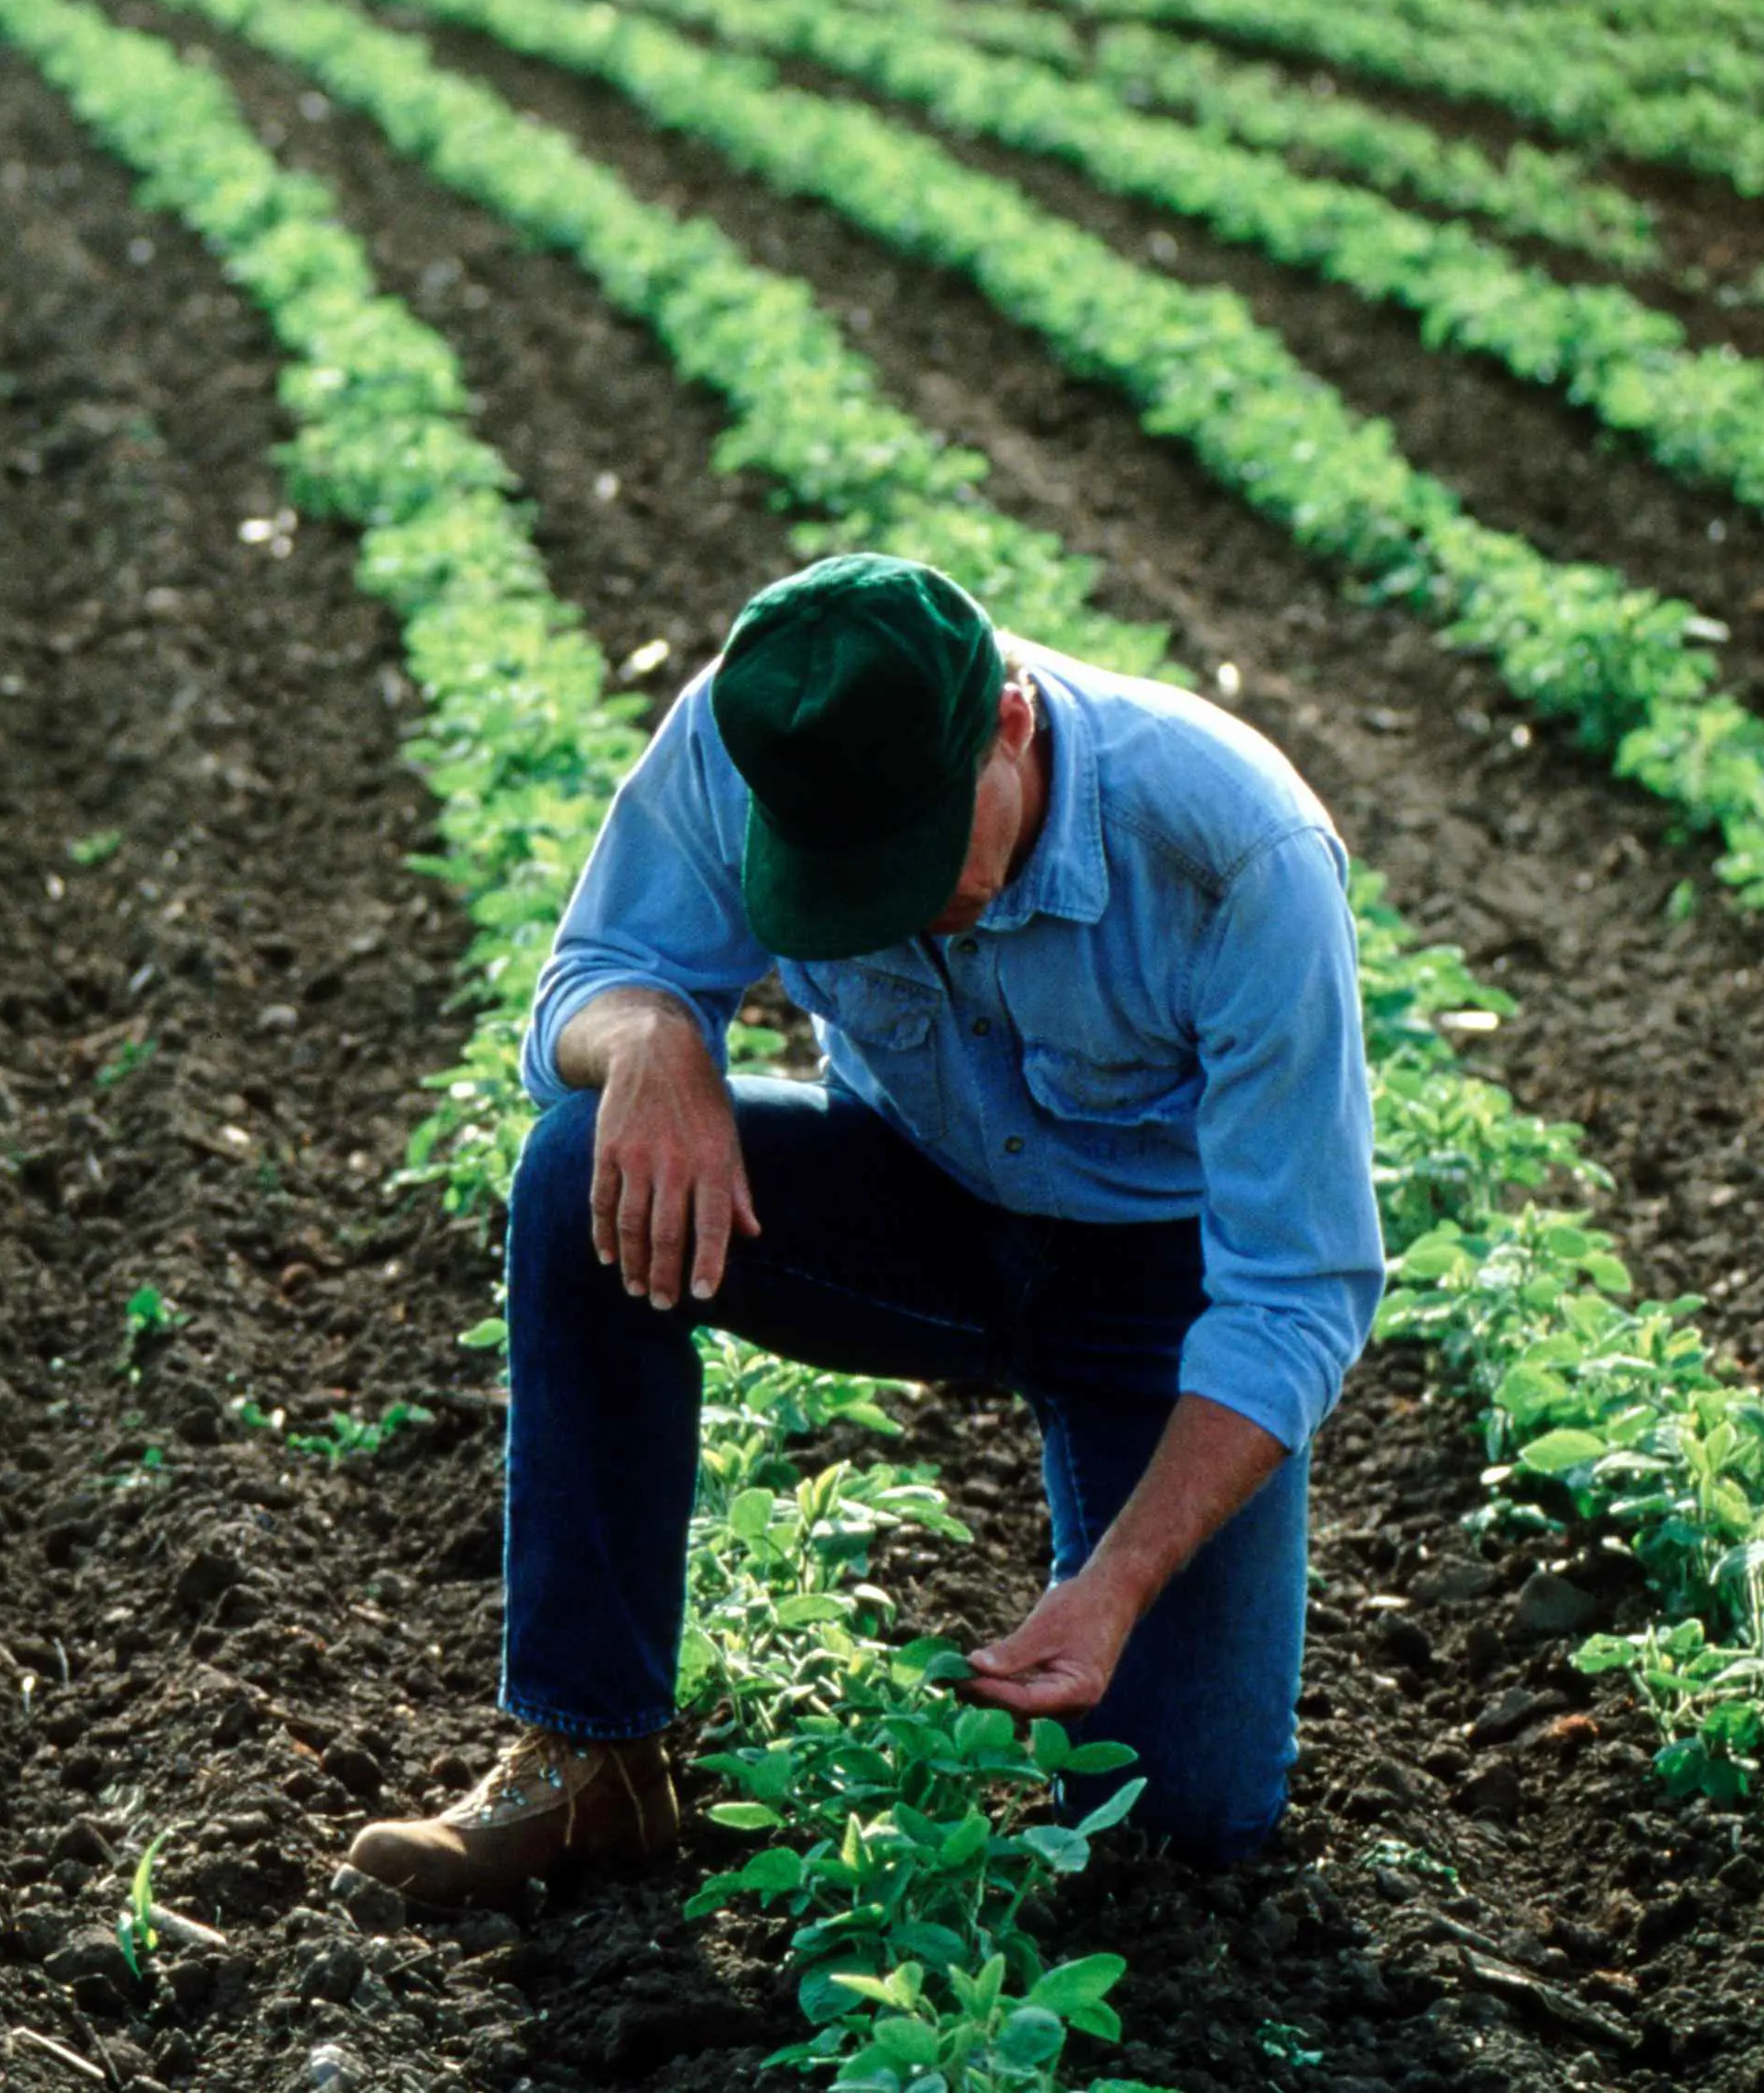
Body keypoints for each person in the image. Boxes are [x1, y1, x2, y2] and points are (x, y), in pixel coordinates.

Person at [345, 553, 1380, 1908]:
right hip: (911, 1206)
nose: (889, 909)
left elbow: (1297, 1290)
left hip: (1157, 1287)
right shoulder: (757, 734)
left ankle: (1148, 1696)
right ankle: (588, 1757)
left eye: (915, 865)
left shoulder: (1234, 853)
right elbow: (592, 979)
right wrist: (653, 1033)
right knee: (570, 1172)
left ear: (1010, 723)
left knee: (1177, 1825)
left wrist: (1120, 1579)